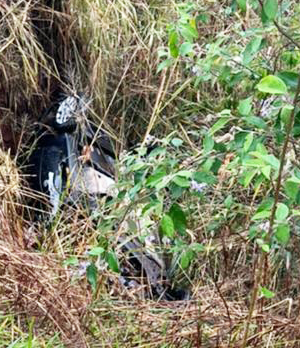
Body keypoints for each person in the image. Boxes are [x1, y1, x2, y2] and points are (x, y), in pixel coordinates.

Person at [24, 93, 189, 301]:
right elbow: (53, 205)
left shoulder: (107, 158)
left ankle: (154, 289)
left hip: (112, 215)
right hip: (97, 215)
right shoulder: (60, 149)